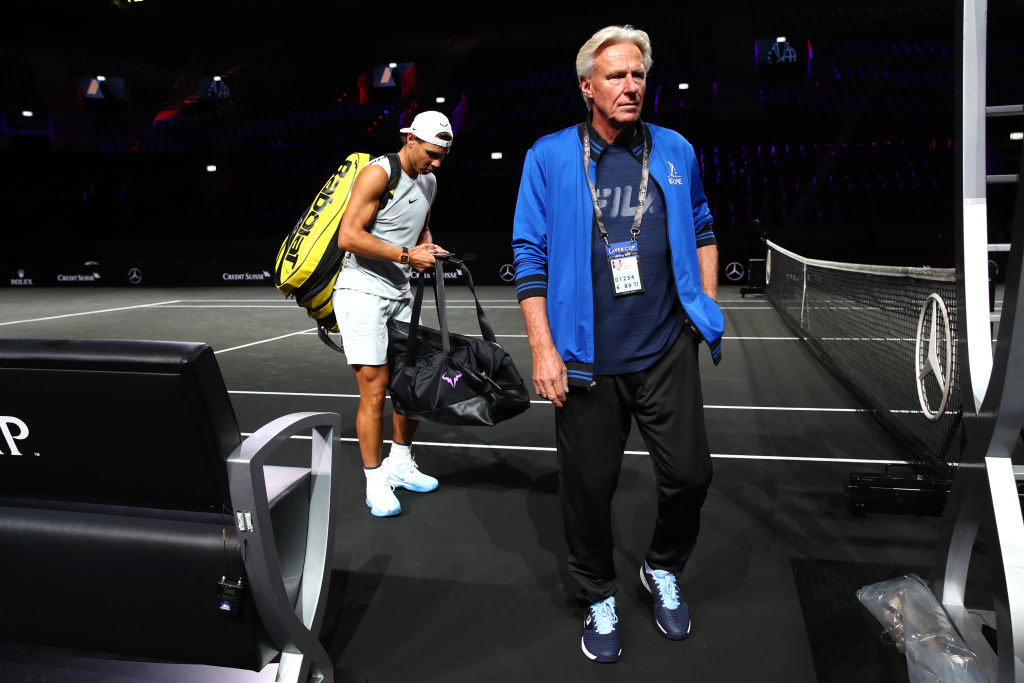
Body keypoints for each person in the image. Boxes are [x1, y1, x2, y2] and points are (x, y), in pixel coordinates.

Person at [511, 25, 723, 663]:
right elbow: (528, 257)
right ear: (587, 88)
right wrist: (543, 349)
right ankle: (597, 590)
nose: (630, 86)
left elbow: (706, 227)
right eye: (615, 76)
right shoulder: (548, 157)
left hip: (664, 351)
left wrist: (702, 308)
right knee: (587, 489)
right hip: (584, 360)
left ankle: (662, 567)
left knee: (691, 476)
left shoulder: (675, 149)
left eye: (638, 75)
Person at [333, 110, 453, 517]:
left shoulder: (430, 181)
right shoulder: (379, 172)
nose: (436, 162)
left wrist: (427, 248)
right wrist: (406, 255)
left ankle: (400, 464)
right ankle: (375, 481)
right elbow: (347, 236)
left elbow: (421, 231)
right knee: (376, 389)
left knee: (413, 383)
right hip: (362, 290)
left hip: (401, 291)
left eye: (442, 156)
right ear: (411, 140)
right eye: (432, 153)